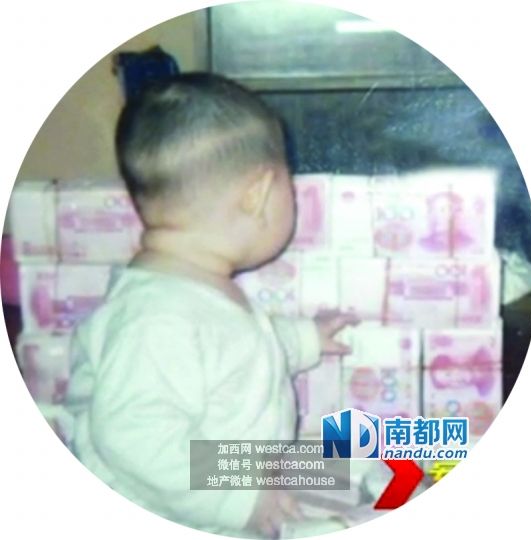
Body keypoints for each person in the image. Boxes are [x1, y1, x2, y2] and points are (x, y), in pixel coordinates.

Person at [65, 73, 357, 538]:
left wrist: (304, 339)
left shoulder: (194, 287)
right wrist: (239, 499)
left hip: (235, 479)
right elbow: (136, 438)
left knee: (344, 469)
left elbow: (235, 353)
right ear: (258, 196)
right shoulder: (155, 319)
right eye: (291, 185)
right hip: (174, 511)